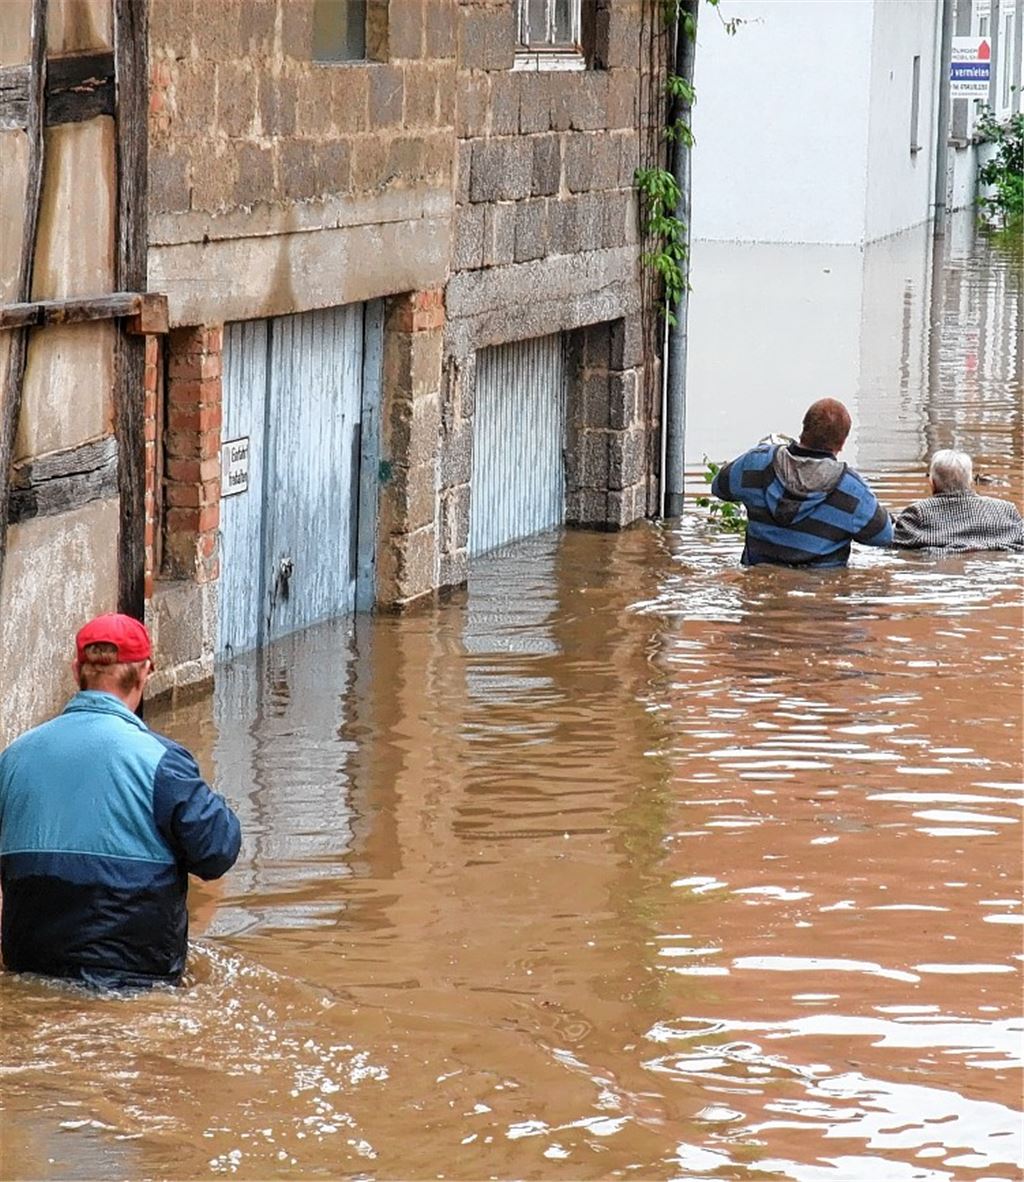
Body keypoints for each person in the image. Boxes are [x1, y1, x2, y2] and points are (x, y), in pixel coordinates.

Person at [0, 613, 241, 989]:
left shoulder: (13, 758)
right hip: (137, 978)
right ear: (145, 672)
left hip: (31, 964)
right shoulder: (164, 762)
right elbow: (216, 854)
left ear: (76, 670)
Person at [710, 397, 892, 567]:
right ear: (842, 444)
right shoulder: (852, 491)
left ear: (803, 429)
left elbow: (719, 487)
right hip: (820, 587)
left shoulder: (755, 463)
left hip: (758, 580)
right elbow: (884, 536)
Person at [893, 449, 1024, 551]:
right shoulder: (1006, 510)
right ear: (970, 481)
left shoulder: (916, 514)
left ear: (932, 483)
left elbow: (893, 543)